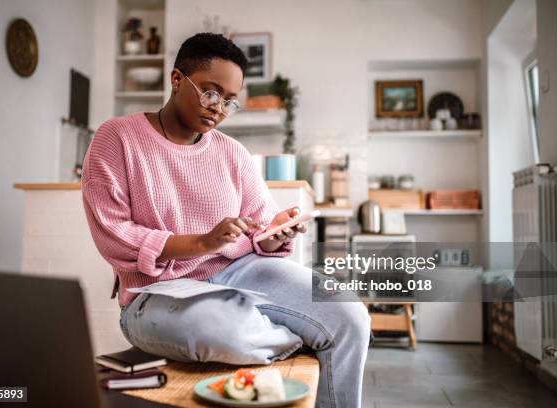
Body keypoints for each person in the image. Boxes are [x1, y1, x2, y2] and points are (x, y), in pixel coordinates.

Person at [81, 32, 370, 407]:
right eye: (210, 92)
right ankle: (304, 334)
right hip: (155, 292)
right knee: (220, 331)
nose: (218, 108)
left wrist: (273, 233)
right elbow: (113, 234)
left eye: (230, 101)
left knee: (350, 315)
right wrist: (201, 243)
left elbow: (260, 228)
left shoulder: (232, 152)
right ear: (176, 79)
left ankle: (288, 333)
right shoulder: (117, 138)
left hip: (240, 273)